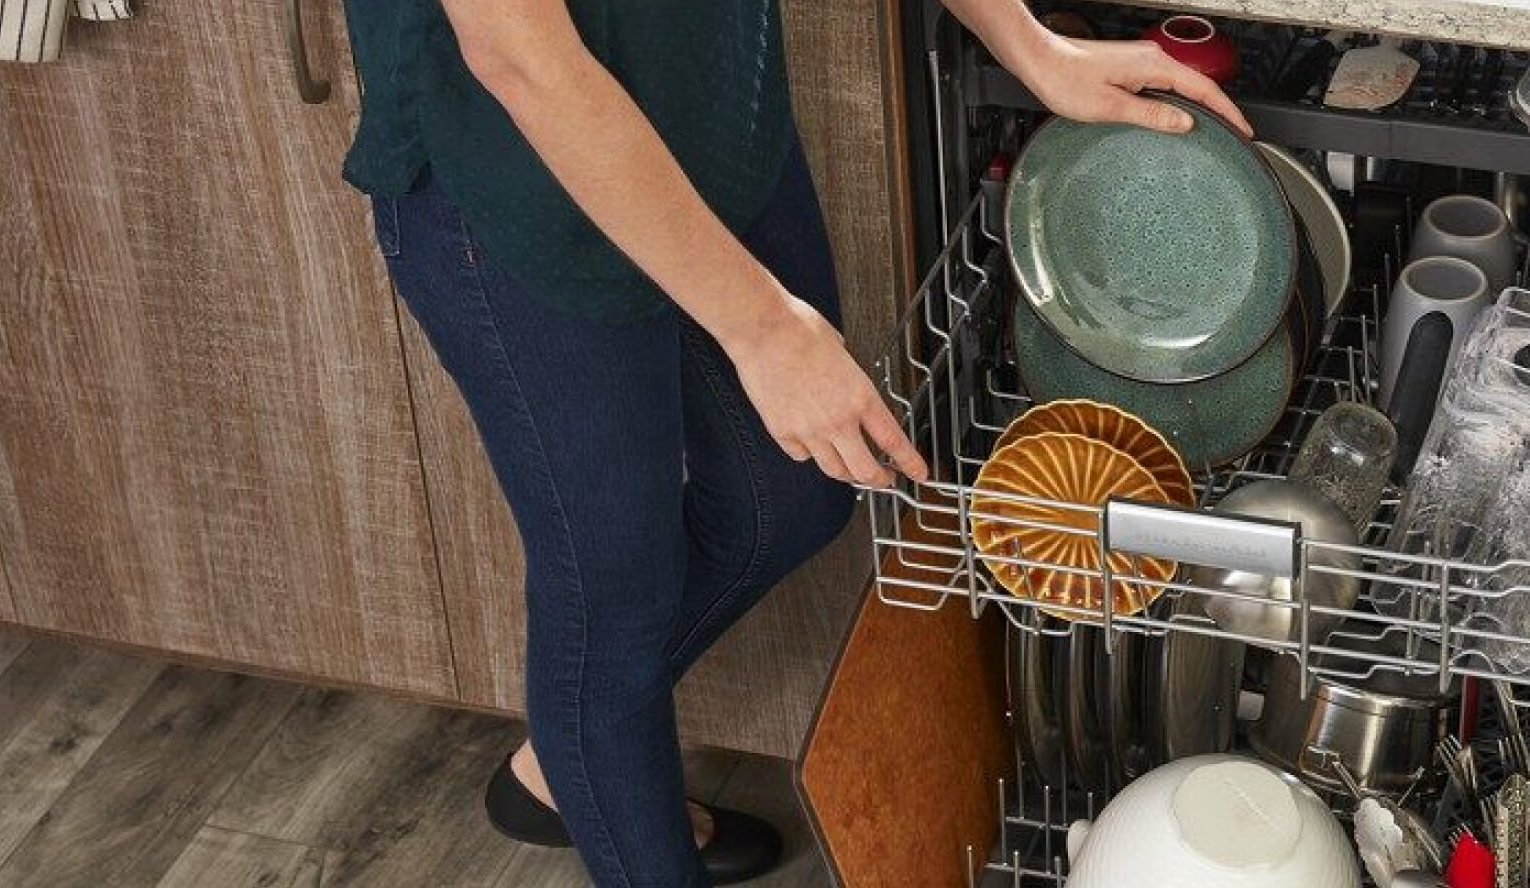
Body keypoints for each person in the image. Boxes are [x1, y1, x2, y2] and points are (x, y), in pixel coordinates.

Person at [336, 0, 1250, 884]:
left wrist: (1030, 43)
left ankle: (574, 753)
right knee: (612, 602)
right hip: (514, 169)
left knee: (794, 498)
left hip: (708, 103)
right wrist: (764, 330)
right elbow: (522, 55)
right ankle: (612, 782)